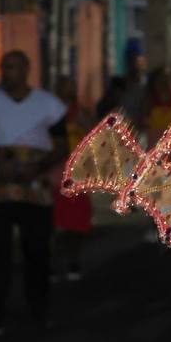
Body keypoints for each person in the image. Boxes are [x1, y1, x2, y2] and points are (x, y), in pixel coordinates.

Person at [0, 52, 68, 334]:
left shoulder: (48, 104)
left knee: (36, 252)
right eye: (4, 67)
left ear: (26, 70)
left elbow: (62, 145)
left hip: (36, 187)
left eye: (12, 67)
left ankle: (39, 312)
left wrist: (38, 167)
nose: (6, 72)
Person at [52, 75, 95, 281]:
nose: (68, 91)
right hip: (55, 169)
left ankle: (73, 261)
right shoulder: (50, 112)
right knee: (56, 221)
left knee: (77, 222)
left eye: (70, 87)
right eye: (64, 87)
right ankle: (54, 263)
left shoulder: (81, 112)